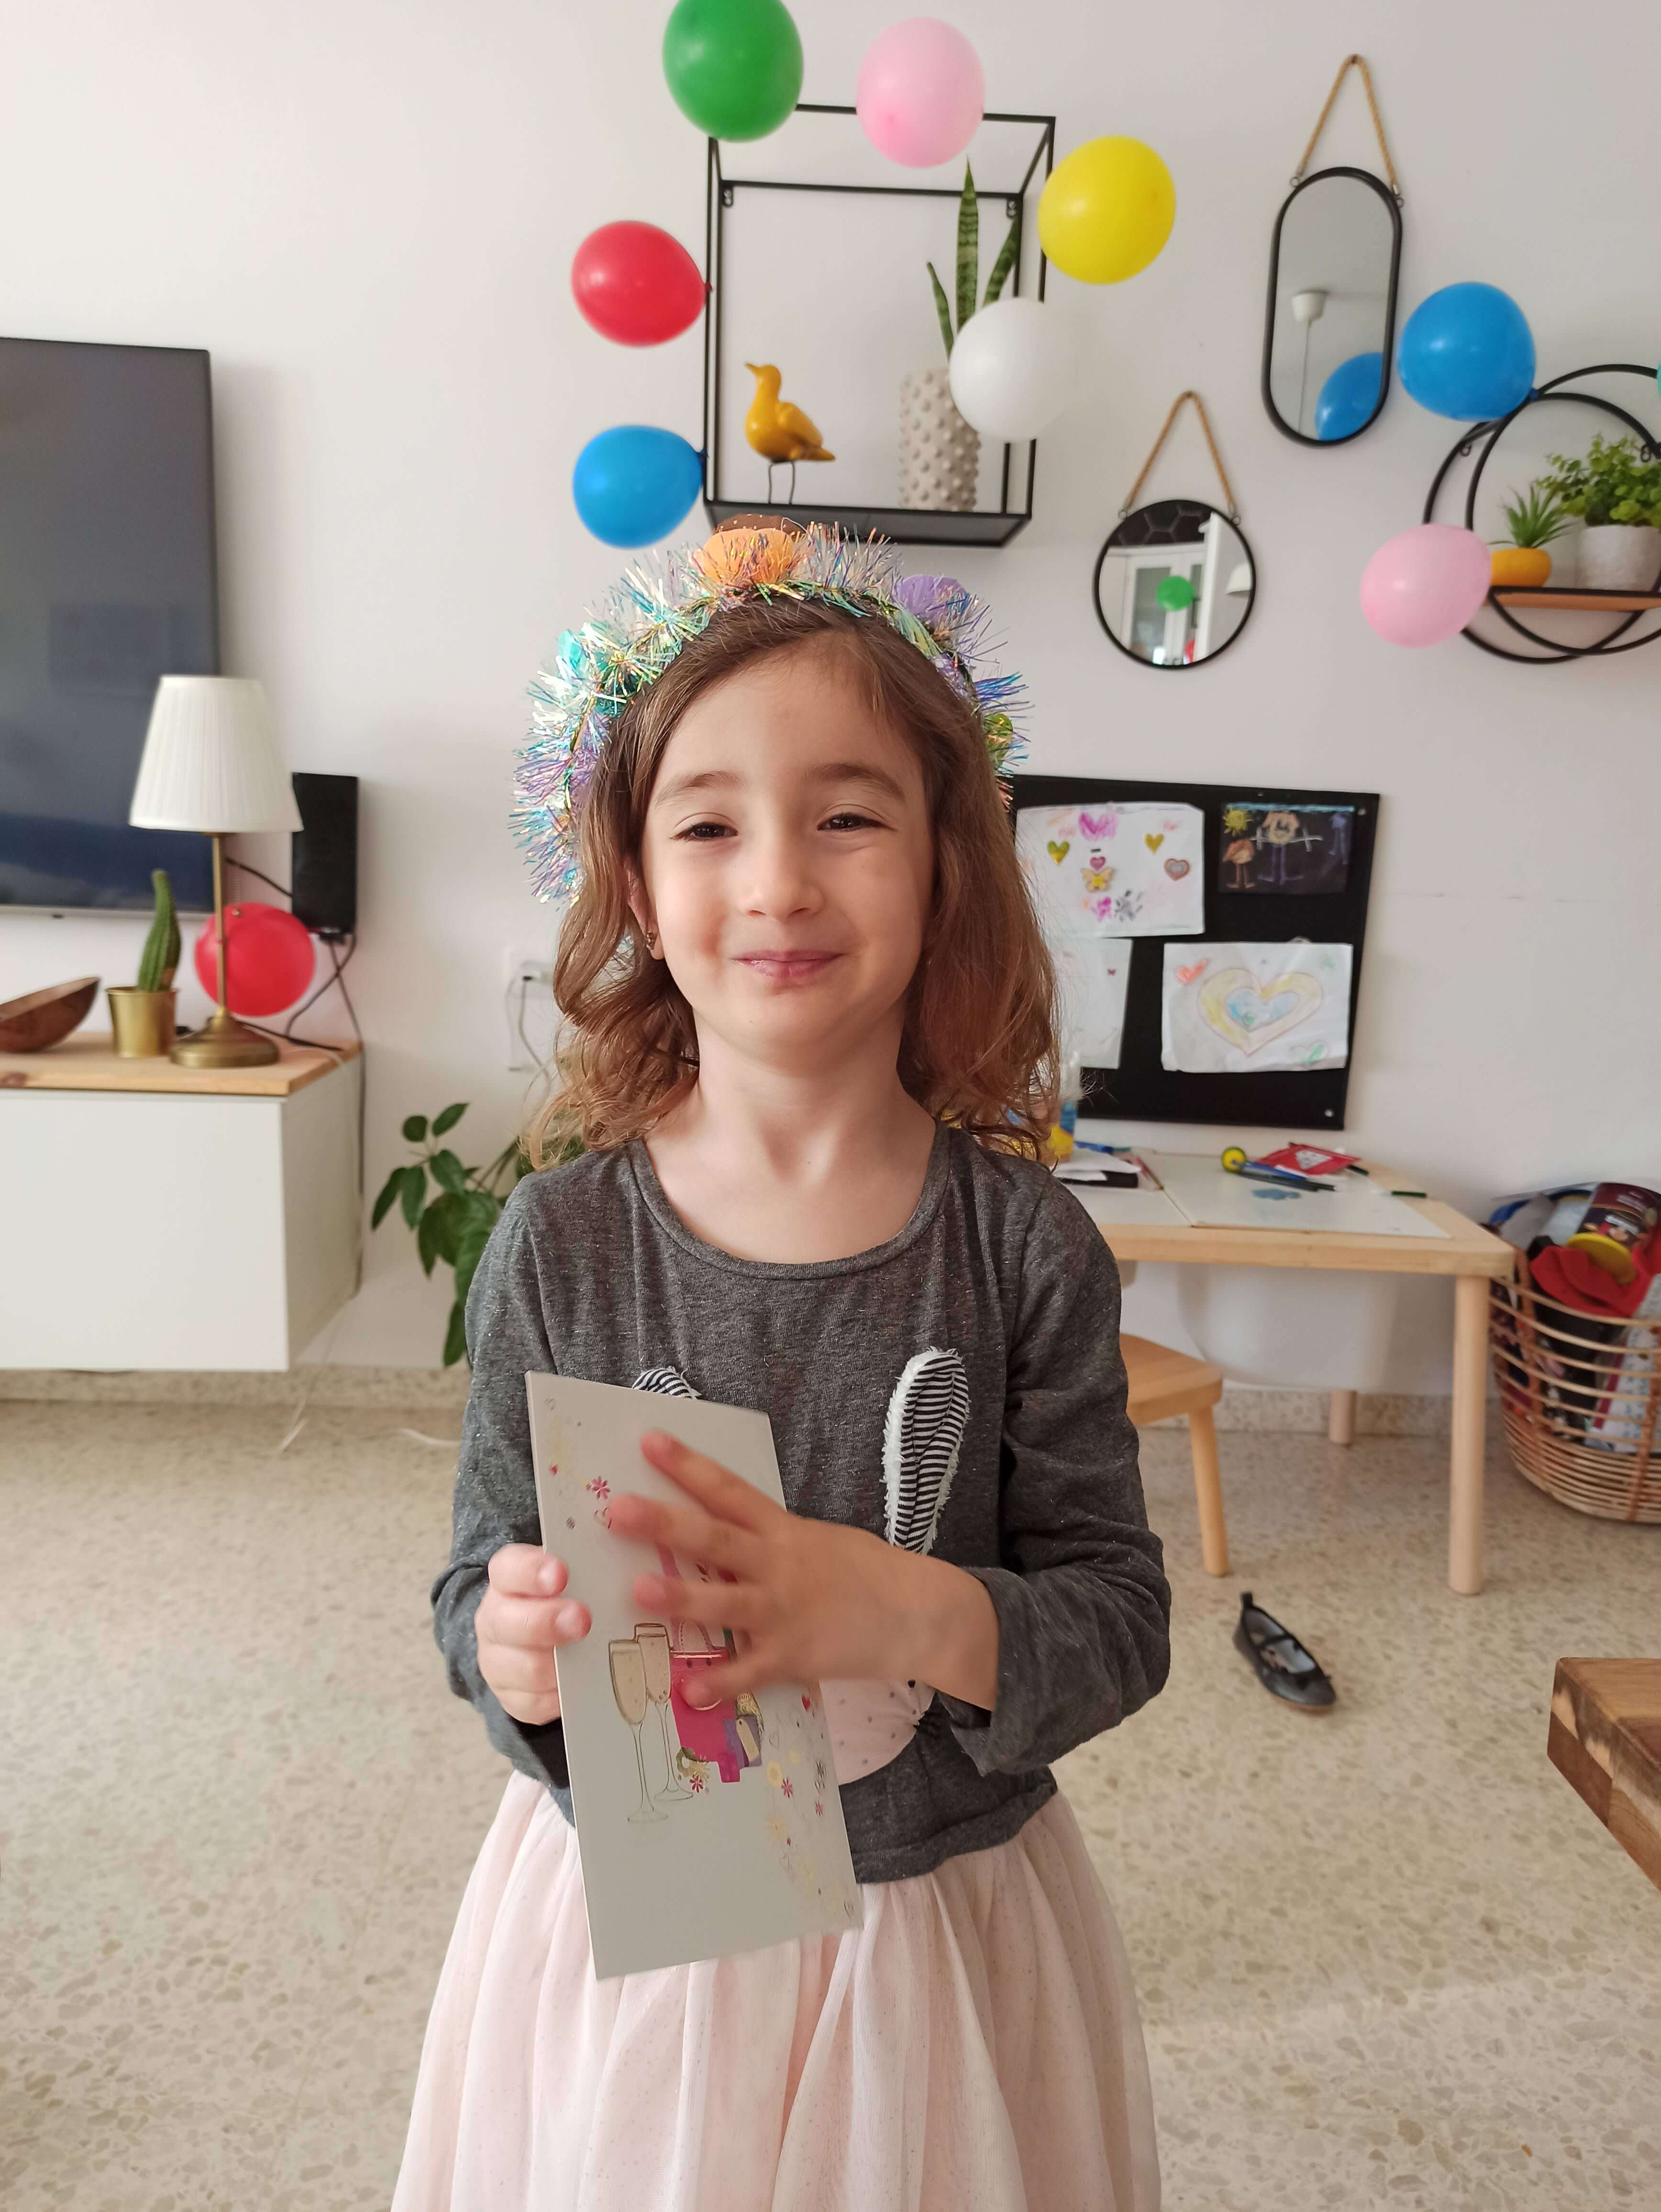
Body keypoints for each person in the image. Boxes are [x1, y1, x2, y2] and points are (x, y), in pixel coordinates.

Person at [393, 524, 1172, 2212]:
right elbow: (476, 1579)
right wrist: (509, 1651)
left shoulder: (1026, 1248)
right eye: (709, 825)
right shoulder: (561, 1243)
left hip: (933, 1937)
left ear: (947, 862)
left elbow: (1118, 1618)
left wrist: (901, 1612)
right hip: (641, 1939)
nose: (777, 882)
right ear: (637, 887)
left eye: (848, 816)